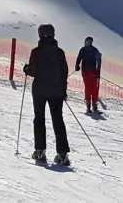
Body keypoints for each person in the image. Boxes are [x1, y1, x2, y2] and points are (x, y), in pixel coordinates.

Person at [23, 23, 70, 165]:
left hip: (39, 90)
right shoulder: (59, 52)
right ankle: (62, 154)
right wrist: (63, 90)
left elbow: (33, 71)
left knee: (39, 118)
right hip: (56, 91)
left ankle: (40, 150)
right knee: (58, 120)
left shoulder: (36, 52)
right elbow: (64, 73)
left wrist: (26, 69)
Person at [74, 36, 103, 114]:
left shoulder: (94, 50)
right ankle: (88, 105)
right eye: (86, 42)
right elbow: (79, 58)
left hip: (92, 72)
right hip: (86, 71)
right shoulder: (83, 50)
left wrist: (97, 71)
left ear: (91, 42)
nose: (86, 43)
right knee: (88, 88)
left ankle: (94, 105)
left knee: (94, 88)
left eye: (88, 42)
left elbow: (98, 61)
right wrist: (77, 65)